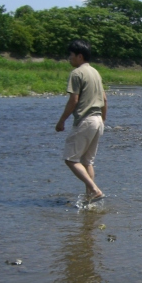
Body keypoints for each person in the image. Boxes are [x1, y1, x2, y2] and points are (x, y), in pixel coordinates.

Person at [55, 39, 108, 204]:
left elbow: (73, 100)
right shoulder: (95, 72)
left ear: (79, 56)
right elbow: (105, 99)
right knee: (86, 161)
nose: (69, 58)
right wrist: (103, 120)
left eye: (70, 55)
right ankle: (89, 198)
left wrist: (61, 121)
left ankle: (94, 190)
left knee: (70, 159)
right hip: (98, 120)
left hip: (86, 120)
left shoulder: (77, 73)